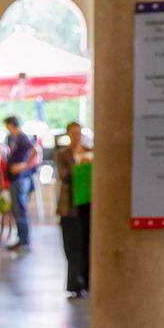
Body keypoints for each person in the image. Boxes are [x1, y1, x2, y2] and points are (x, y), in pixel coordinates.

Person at [55, 122, 91, 296]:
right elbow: (63, 175)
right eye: (74, 133)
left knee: (87, 244)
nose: (77, 137)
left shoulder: (89, 151)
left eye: (79, 133)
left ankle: (88, 281)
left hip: (87, 206)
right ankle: (75, 283)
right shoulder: (63, 154)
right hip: (70, 207)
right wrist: (78, 162)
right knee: (72, 245)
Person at [3, 115, 37, 251]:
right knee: (17, 209)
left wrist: (24, 166)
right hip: (14, 179)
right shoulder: (13, 138)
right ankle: (21, 238)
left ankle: (24, 240)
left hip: (20, 179)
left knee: (20, 209)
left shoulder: (22, 137)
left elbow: (35, 151)